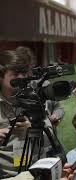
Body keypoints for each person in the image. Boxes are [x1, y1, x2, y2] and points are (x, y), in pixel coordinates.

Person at [0, 50, 32, 178]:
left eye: (23, 73)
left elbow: (50, 131)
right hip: (6, 175)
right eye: (15, 74)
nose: (20, 78)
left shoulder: (32, 97)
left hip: (36, 169)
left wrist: (33, 125)